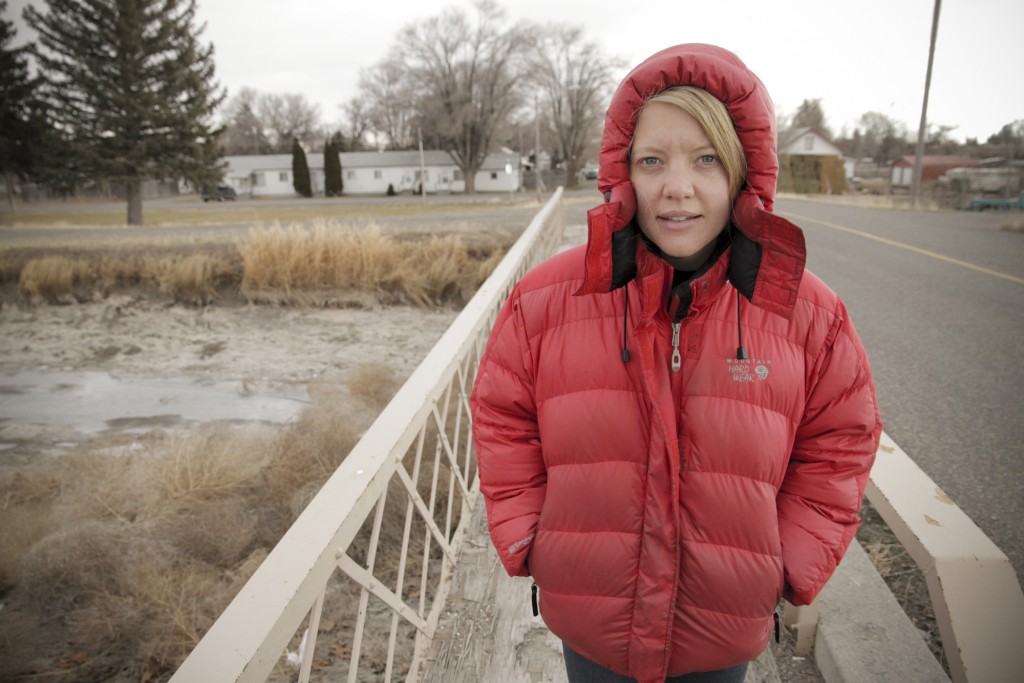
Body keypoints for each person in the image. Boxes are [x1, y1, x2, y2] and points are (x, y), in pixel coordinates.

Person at [470, 43, 882, 683]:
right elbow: (502, 416)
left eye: (707, 160)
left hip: (721, 627)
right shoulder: (546, 301)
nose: (677, 188)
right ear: (623, 171)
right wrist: (532, 540)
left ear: (743, 175)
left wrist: (787, 564)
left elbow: (842, 440)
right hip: (591, 622)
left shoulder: (806, 315)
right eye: (652, 160)